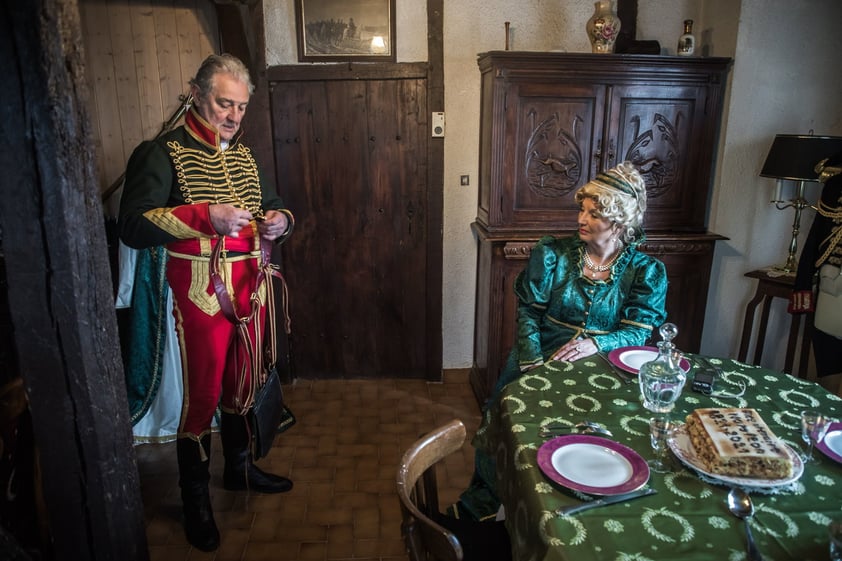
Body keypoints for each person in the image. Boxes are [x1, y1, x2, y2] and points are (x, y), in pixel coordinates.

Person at [119, 53, 295, 552]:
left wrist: (281, 219)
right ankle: (195, 499)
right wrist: (202, 216)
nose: (233, 116)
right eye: (224, 103)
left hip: (252, 286)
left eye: (240, 107)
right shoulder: (159, 153)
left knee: (245, 383)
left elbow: (272, 204)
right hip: (199, 291)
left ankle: (240, 472)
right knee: (202, 398)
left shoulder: (244, 155)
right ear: (196, 94)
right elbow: (133, 226)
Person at [457, 161, 669, 521]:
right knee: (504, 421)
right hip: (539, 351)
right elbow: (528, 313)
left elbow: (639, 330)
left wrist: (596, 344)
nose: (580, 219)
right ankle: (488, 510)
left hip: (604, 366)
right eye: (581, 209)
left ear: (617, 223)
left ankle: (575, 513)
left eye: (593, 213)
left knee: (595, 438)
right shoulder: (552, 254)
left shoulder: (644, 271)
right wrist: (532, 364)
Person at [789, 152, 842, 390]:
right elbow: (816, 237)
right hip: (833, 283)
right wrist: (803, 283)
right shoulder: (836, 185)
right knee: (829, 363)